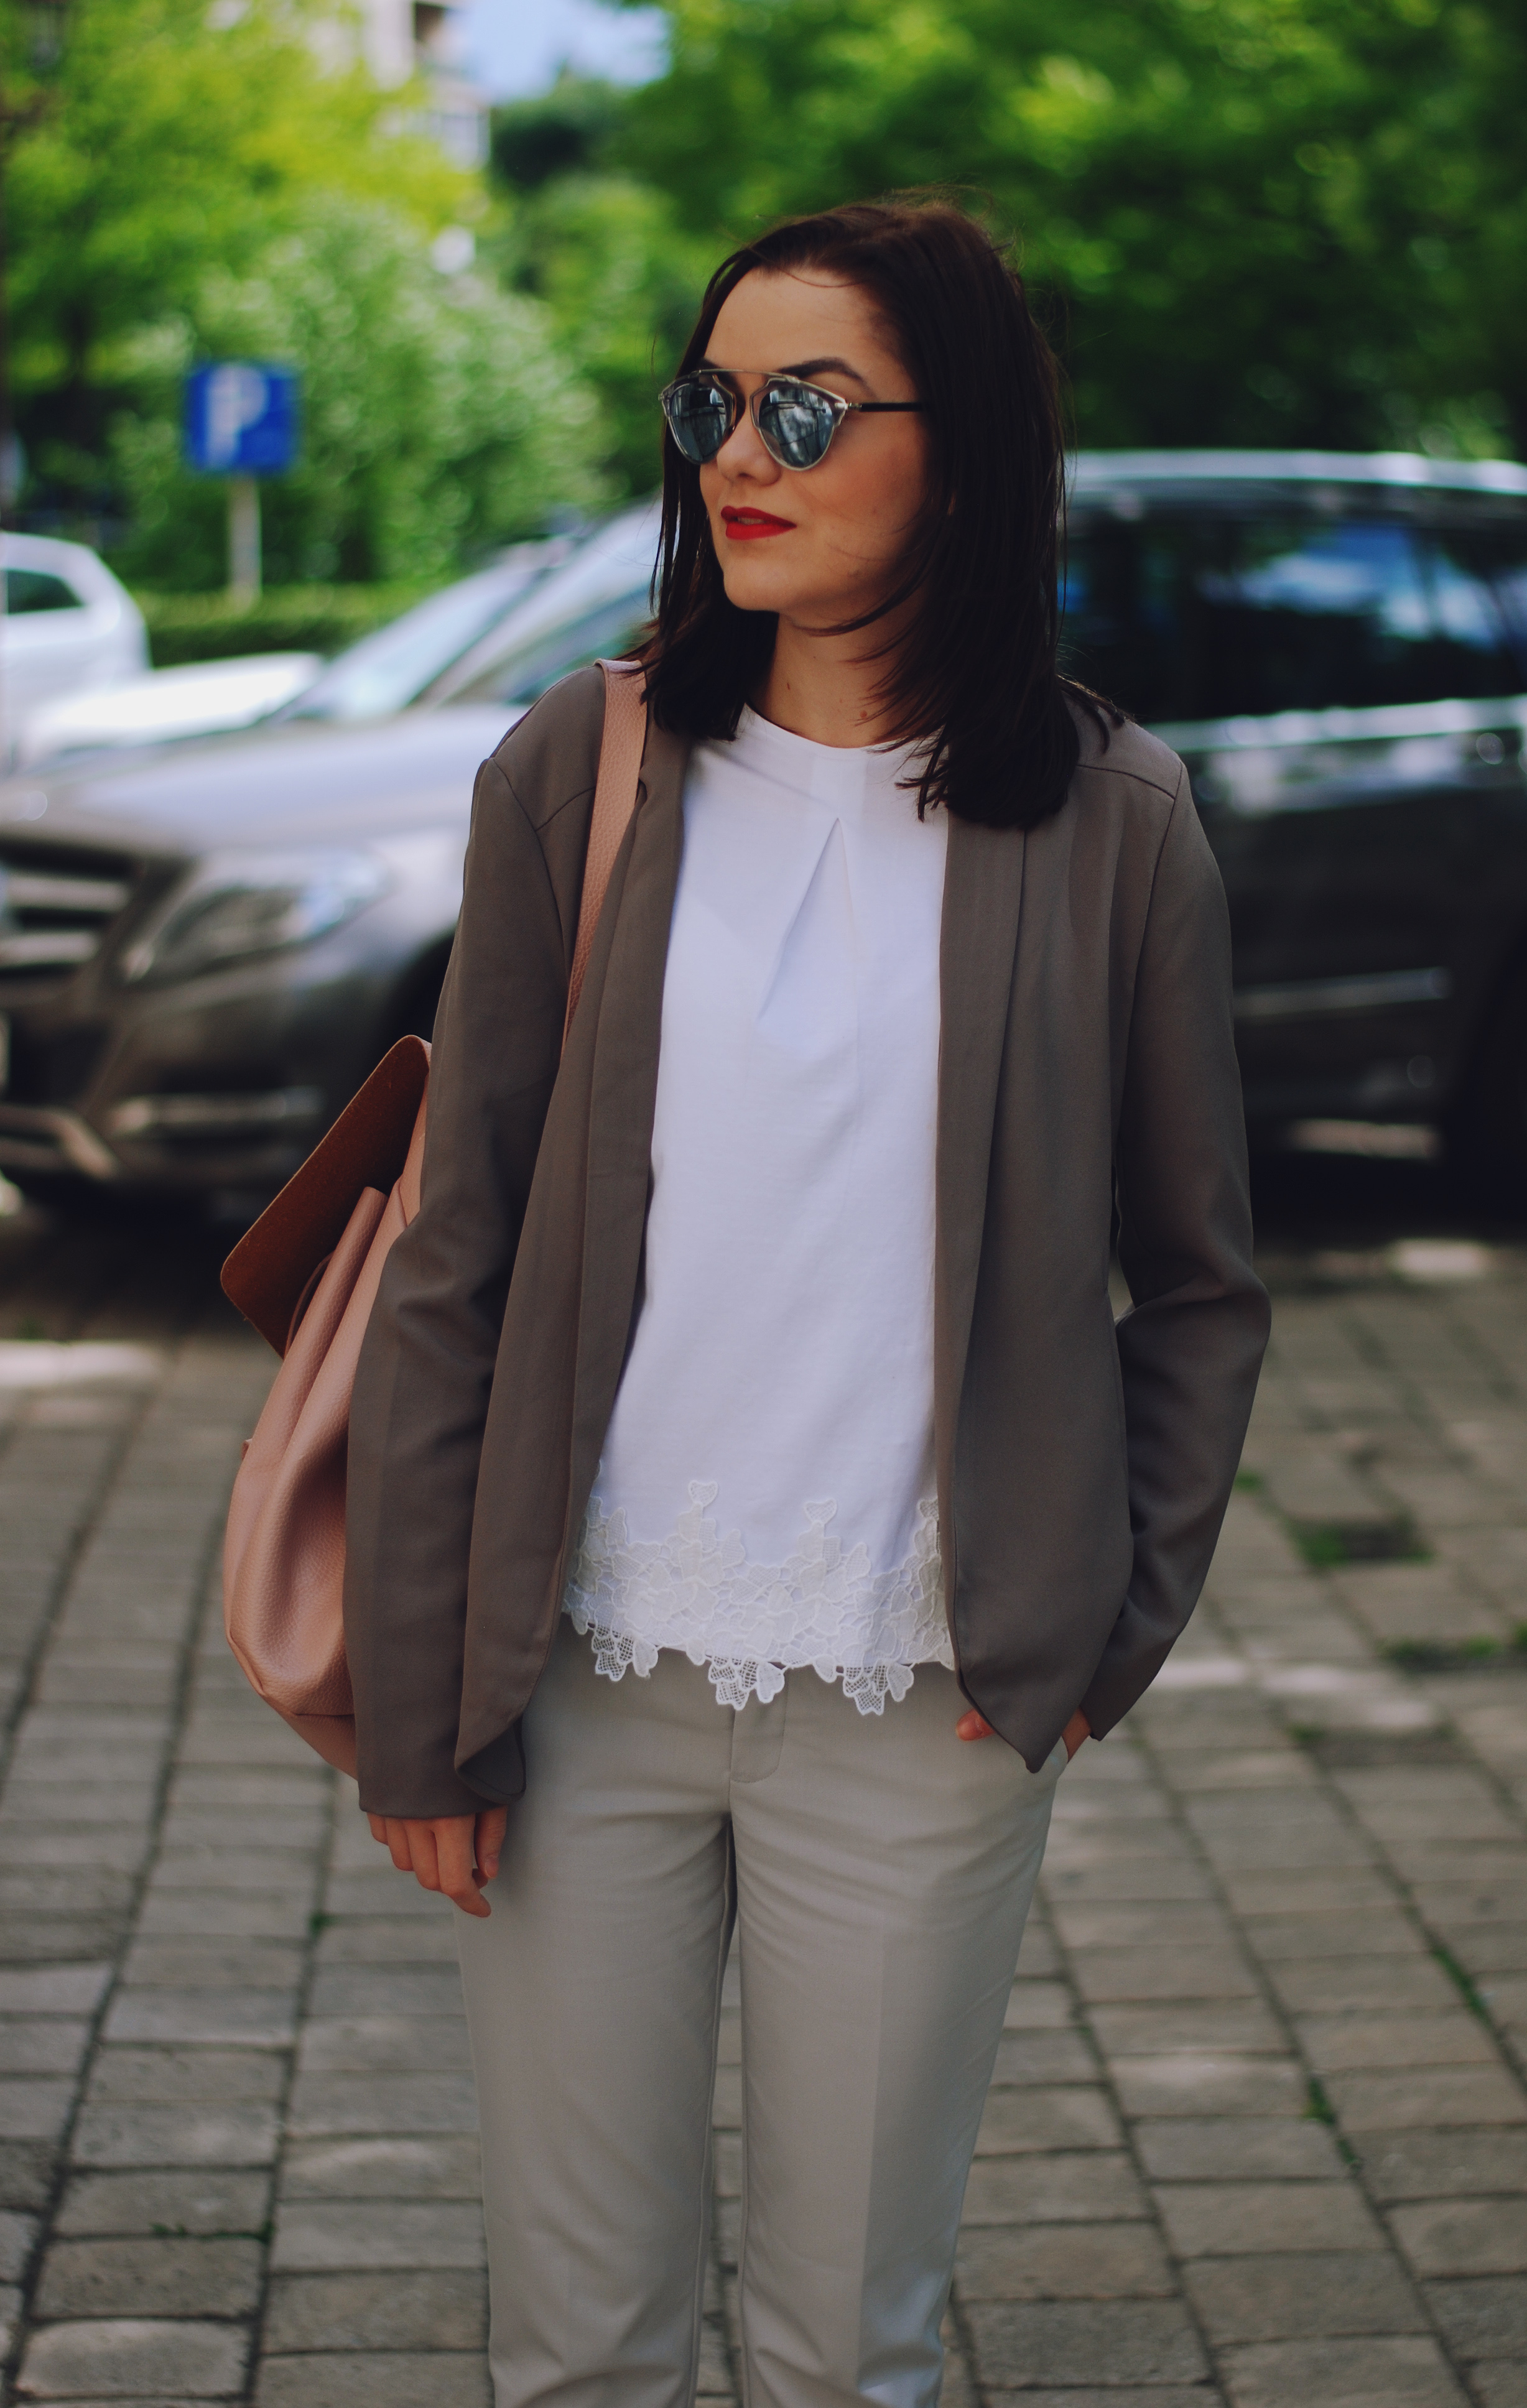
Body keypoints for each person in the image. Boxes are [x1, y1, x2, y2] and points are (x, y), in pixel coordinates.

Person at [344, 196, 1269, 2408]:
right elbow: (451, 1248)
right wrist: (420, 1694)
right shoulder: (582, 768)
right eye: (707, 402)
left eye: (807, 407)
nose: (734, 453)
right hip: (576, 1683)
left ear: (962, 453)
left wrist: (1087, 1633)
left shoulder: (1119, 821)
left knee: (853, 2348)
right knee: (580, 2352)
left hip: (925, 1700)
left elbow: (1205, 1286)